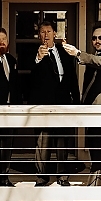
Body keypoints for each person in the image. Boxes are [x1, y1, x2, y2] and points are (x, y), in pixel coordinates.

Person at [63, 25, 101, 186]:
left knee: (99, 147)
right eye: (94, 38)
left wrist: (77, 53)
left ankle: (96, 184)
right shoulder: (97, 54)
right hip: (93, 110)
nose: (97, 41)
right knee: (97, 145)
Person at [28, 21, 80, 187]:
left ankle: (63, 176)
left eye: (48, 31)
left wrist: (76, 102)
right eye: (42, 32)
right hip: (43, 105)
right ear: (39, 36)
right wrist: (38, 58)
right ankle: (42, 178)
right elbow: (29, 77)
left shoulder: (64, 53)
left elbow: (72, 78)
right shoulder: (33, 53)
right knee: (43, 142)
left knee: (62, 141)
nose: (45, 35)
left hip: (63, 103)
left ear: (54, 34)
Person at [0, 27, 21, 186]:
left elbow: (15, 86)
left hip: (10, 109)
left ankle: (3, 178)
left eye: (4, 39)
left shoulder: (12, 60)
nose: (1, 42)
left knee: (7, 146)